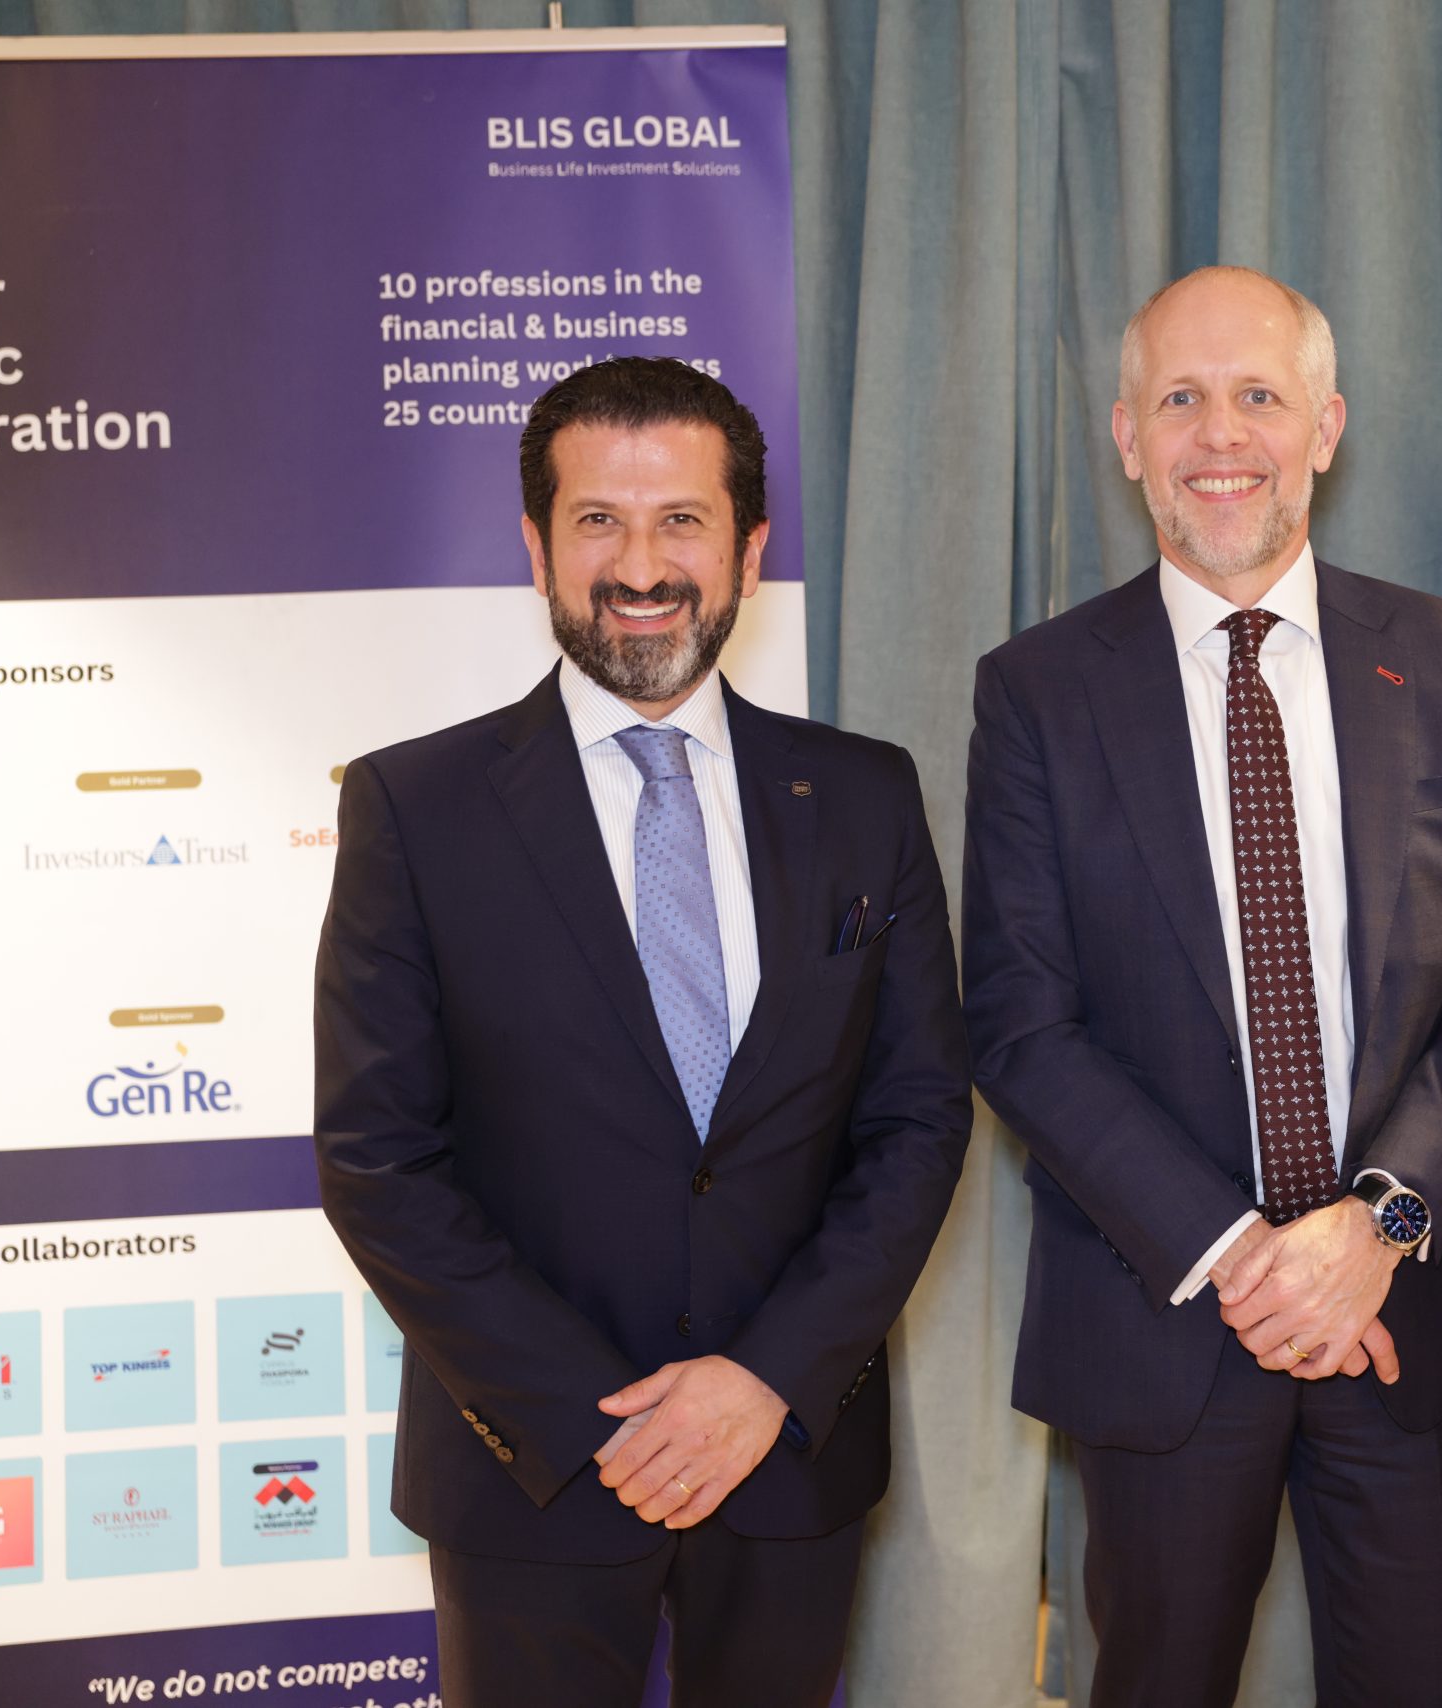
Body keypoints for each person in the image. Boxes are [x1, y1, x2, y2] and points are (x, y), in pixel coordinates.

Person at [314, 356, 971, 1708]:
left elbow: (915, 1120)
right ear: (536, 549)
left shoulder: (865, 795)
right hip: (533, 1472)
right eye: (598, 521)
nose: (641, 565)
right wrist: (600, 1422)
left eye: (682, 520)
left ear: (749, 551)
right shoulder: (415, 809)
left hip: (788, 1455)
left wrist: (765, 1380)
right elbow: (379, 1158)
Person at [962, 266, 1442, 1707]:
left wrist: (1376, 1226)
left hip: (1402, 1313)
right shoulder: (1037, 691)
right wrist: (1246, 1255)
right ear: (1127, 437)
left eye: (1258, 397)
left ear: (1326, 428)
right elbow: (1023, 1026)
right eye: (1180, 398)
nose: (1220, 434)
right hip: (1164, 1316)